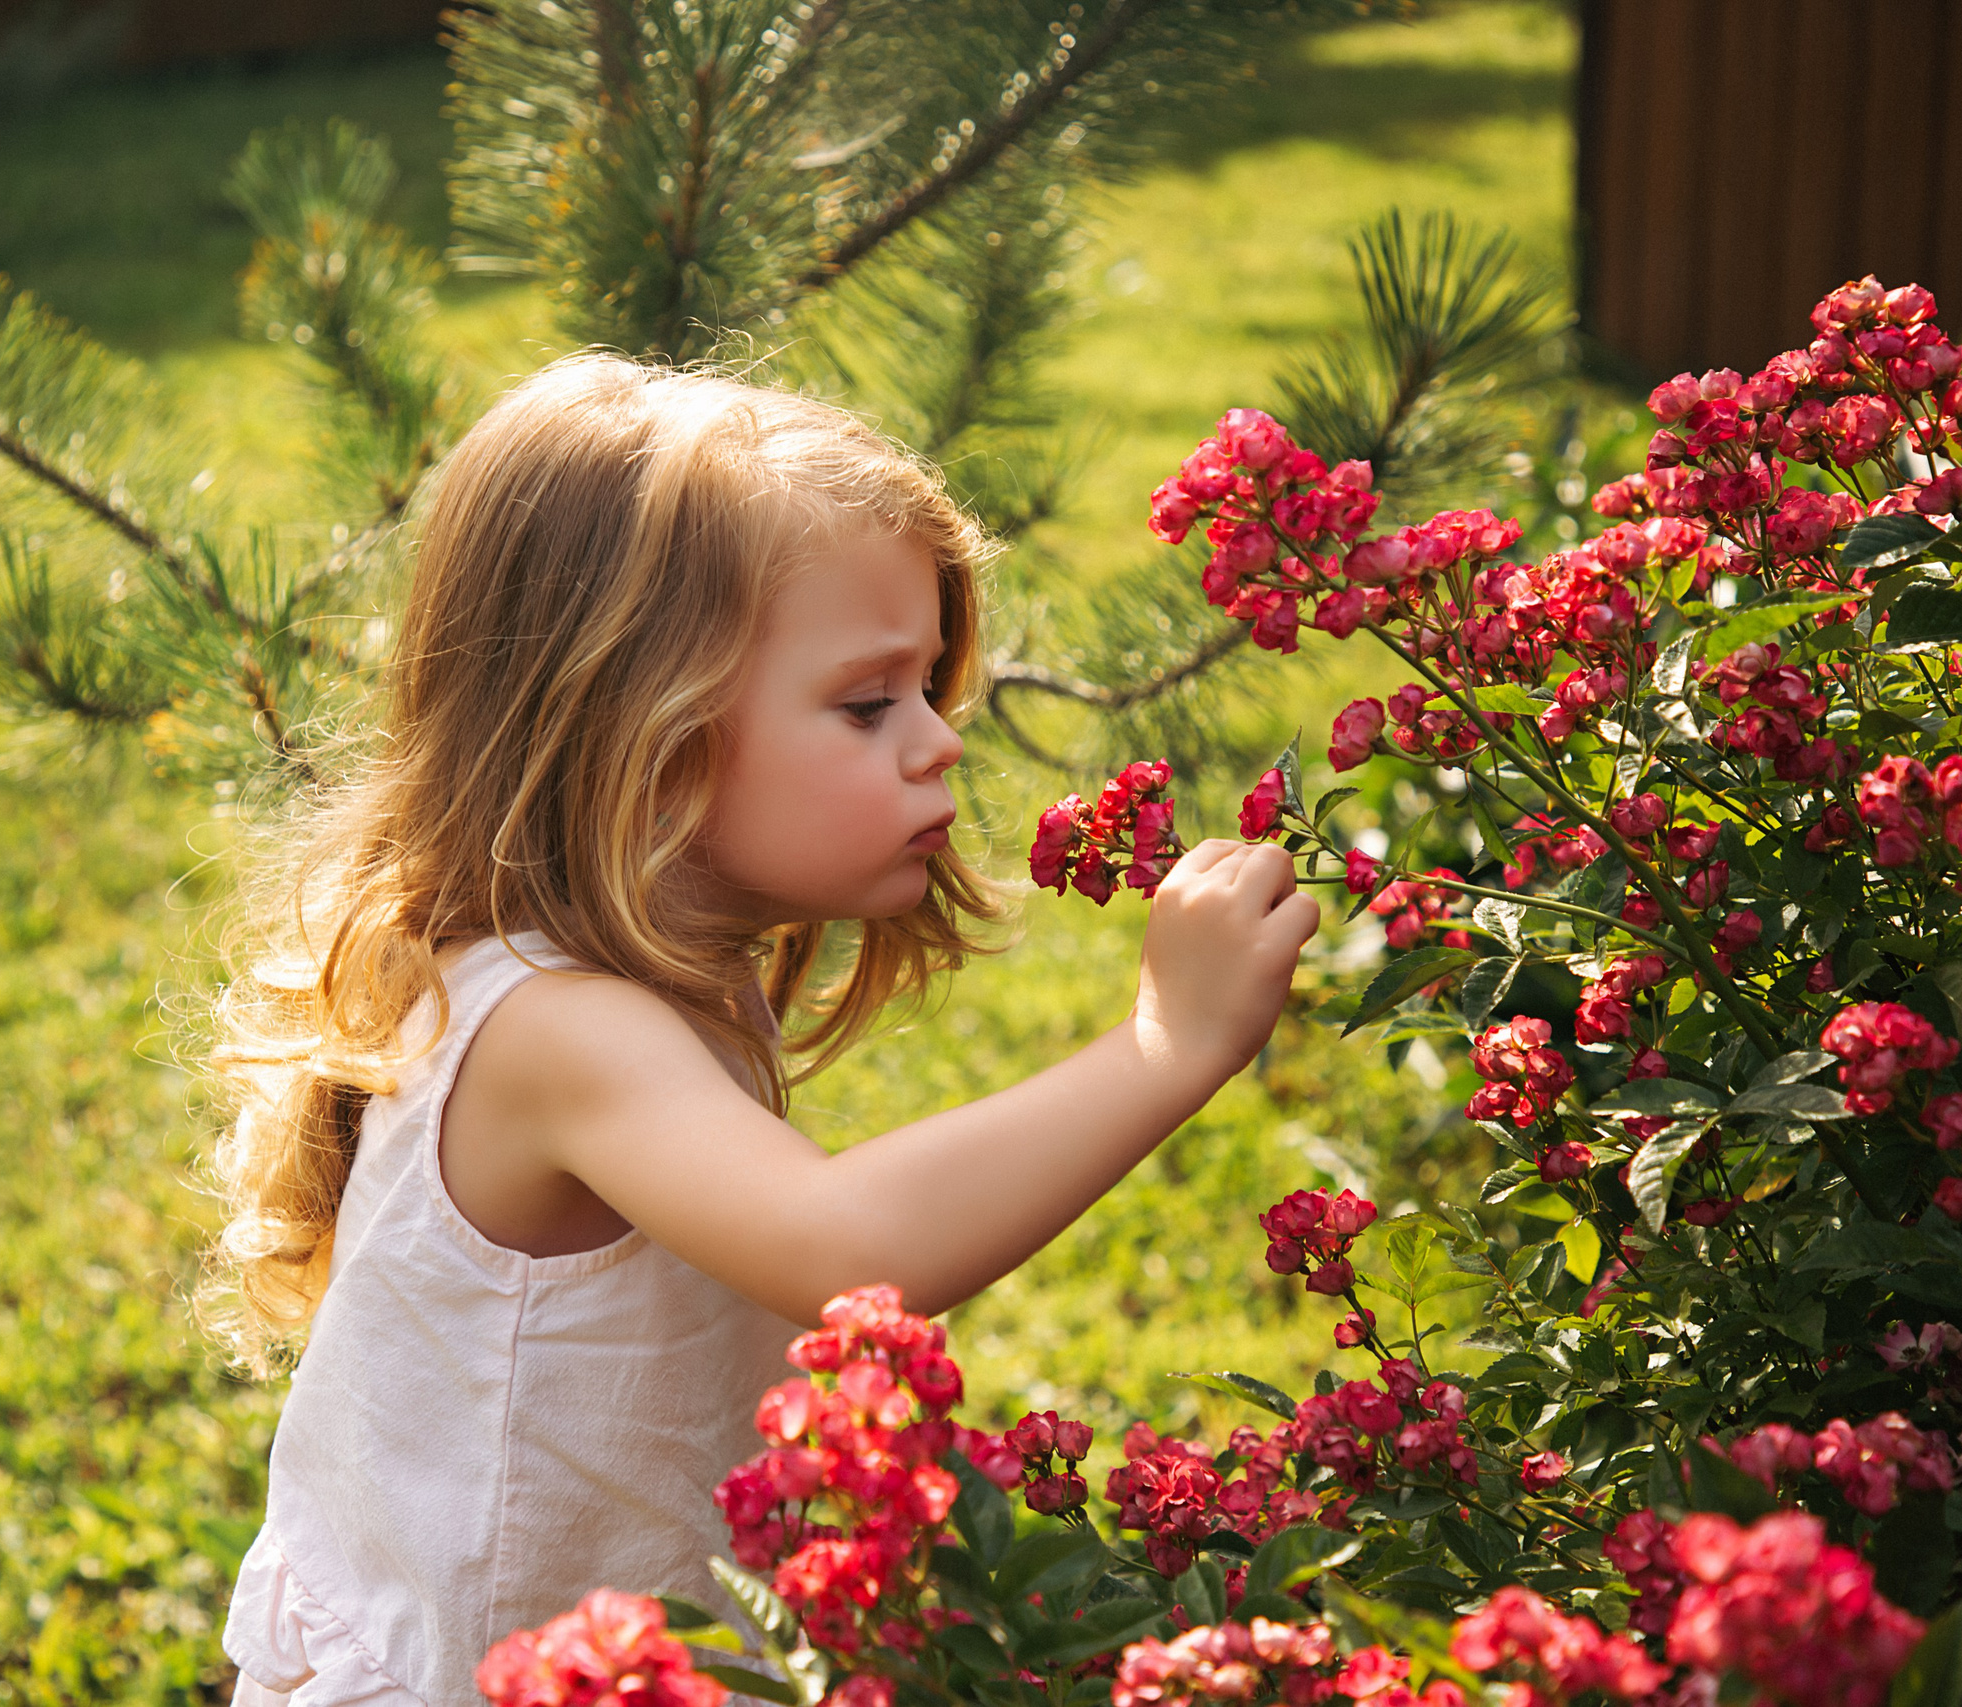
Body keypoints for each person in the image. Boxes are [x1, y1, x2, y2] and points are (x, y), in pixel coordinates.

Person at [206, 353, 1319, 1706]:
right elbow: (849, 1252)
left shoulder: (634, 979)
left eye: (929, 690)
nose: (940, 742)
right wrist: (1168, 1042)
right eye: (869, 704)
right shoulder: (562, 1031)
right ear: (645, 736)